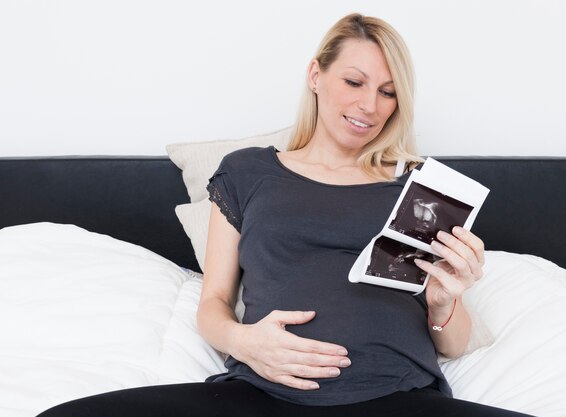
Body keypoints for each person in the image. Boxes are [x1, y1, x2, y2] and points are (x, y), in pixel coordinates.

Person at [38, 13, 533, 417]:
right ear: (316, 75)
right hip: (262, 394)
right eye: (354, 81)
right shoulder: (248, 172)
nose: (369, 105)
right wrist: (244, 342)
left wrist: (446, 302)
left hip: (397, 395)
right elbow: (212, 301)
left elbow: (455, 344)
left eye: (387, 91)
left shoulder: (419, 187)